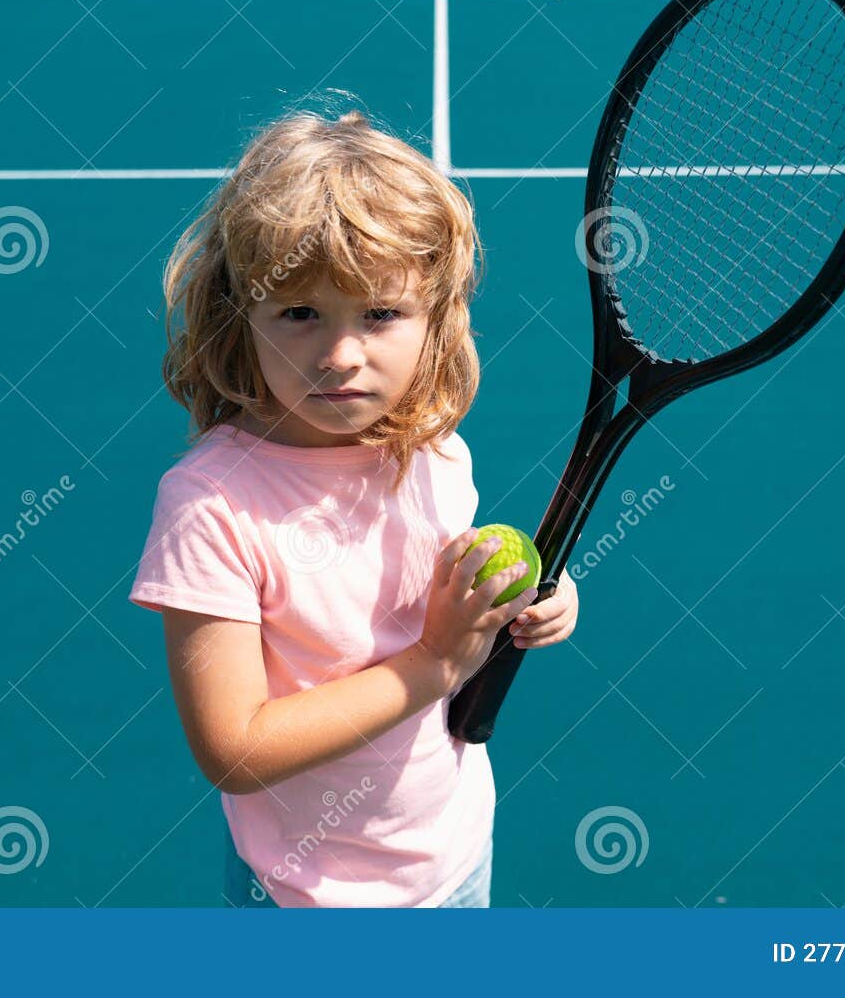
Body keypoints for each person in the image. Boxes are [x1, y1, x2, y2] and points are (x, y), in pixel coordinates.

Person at [131, 108, 579, 908]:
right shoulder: (211, 507)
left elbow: (442, 593)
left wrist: (524, 601)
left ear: (434, 316)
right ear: (245, 313)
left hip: (452, 856)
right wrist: (434, 666)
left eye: (380, 314)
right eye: (300, 313)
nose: (340, 355)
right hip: (309, 899)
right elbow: (234, 748)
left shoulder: (435, 448)